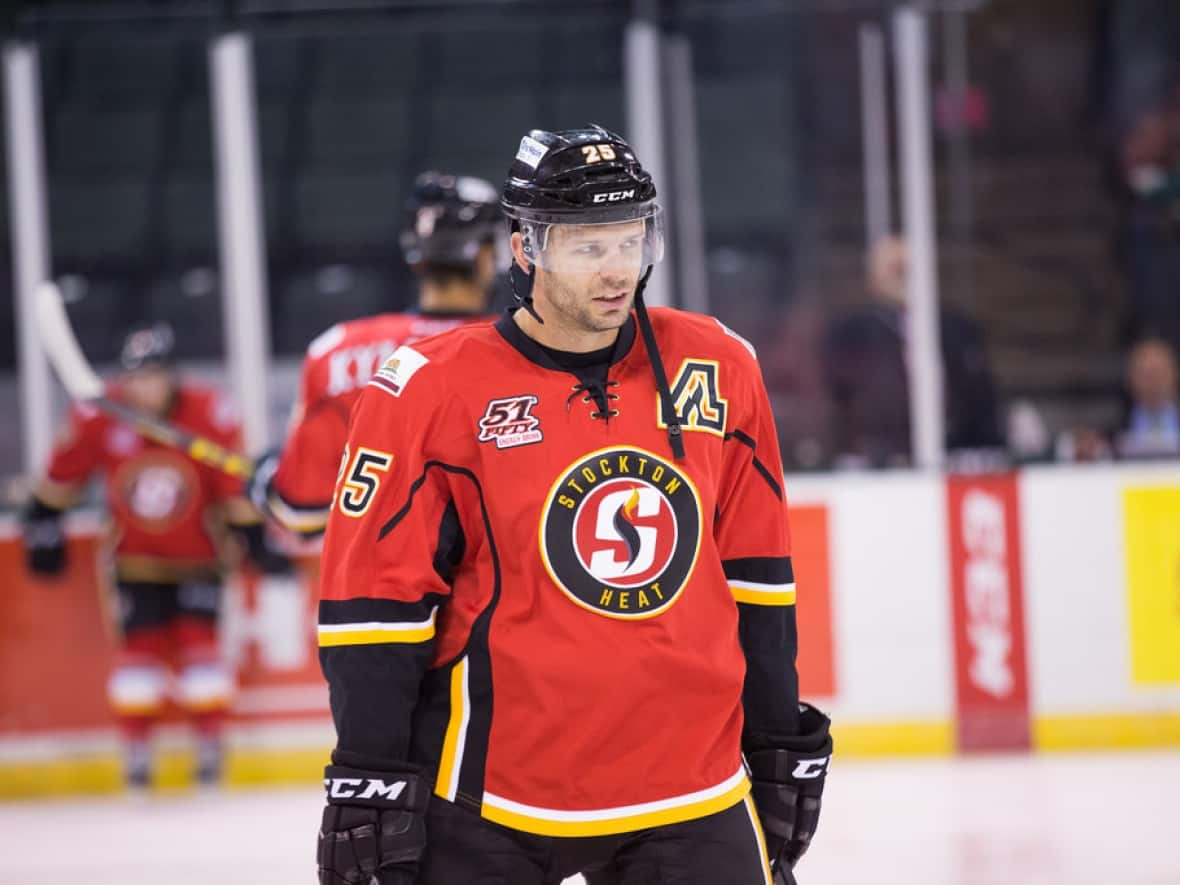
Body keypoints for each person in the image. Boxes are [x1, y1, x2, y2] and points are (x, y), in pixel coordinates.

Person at [313, 126, 831, 885]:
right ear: (525, 250)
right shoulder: (430, 387)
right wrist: (370, 774)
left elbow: (758, 578)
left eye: (631, 242)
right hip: (491, 795)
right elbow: (375, 605)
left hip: (692, 786)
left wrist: (777, 737)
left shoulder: (719, 364)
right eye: (588, 248)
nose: (616, 271)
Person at [21, 323, 287, 788]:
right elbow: (66, 469)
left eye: (157, 376)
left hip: (199, 557)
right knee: (138, 657)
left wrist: (253, 535)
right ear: (126, 380)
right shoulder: (100, 413)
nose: (148, 387)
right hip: (134, 561)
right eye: (139, 377)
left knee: (200, 652)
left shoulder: (210, 412)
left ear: (172, 377)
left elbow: (230, 483)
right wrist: (44, 516)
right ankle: (137, 753)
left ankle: (209, 749)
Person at [250, 172, 500, 537]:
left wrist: (268, 481)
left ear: (415, 254)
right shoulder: (527, 350)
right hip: (494, 581)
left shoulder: (336, 352)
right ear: (485, 256)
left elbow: (303, 508)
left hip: (382, 584)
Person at [822, 234, 1001, 467]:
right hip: (878, 466)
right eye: (896, 270)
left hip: (952, 457)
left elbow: (979, 397)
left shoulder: (957, 329)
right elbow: (839, 402)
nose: (904, 277)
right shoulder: (851, 334)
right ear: (873, 277)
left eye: (909, 269)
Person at [1117, 336, 1180, 457]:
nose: (1154, 382)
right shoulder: (1114, 431)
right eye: (1147, 374)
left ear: (1174, 374)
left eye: (1159, 373)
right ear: (1132, 378)